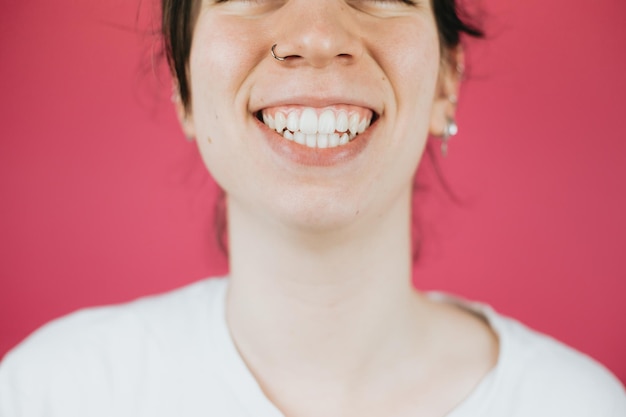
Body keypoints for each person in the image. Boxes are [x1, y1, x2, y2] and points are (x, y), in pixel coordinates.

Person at [1, 0, 624, 415]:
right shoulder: (53, 393)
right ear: (184, 85)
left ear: (444, 81)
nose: (318, 36)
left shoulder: (579, 405)